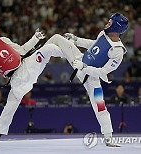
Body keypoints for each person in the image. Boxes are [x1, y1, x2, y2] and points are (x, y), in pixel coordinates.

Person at [0, 15, 82, 149]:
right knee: (9, 109)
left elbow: (21, 50)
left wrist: (34, 39)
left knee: (48, 48)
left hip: (27, 65)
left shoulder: (3, 40)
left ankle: (77, 60)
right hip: (18, 79)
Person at [46, 13, 128, 147]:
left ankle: (109, 138)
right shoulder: (103, 34)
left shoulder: (117, 50)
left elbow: (103, 72)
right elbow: (93, 44)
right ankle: (36, 58)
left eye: (110, 22)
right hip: (79, 60)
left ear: (117, 28)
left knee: (100, 107)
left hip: (92, 79)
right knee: (57, 38)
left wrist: (85, 67)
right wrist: (76, 39)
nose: (107, 24)